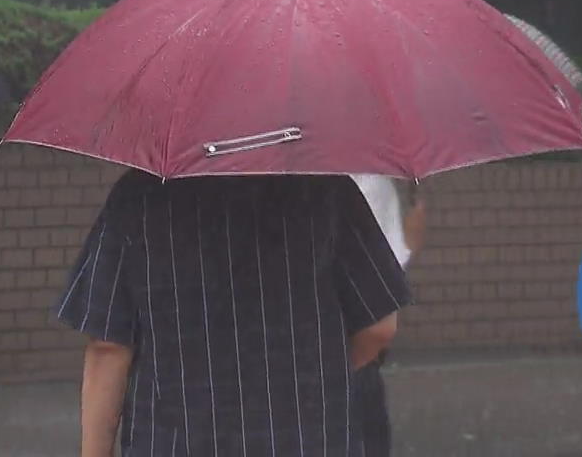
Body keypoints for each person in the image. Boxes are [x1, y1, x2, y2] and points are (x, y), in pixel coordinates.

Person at [58, 169, 412, 457]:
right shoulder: (327, 189)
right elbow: (380, 325)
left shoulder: (136, 198)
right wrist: (314, 377)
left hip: (174, 441)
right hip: (310, 440)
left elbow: (109, 347)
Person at [348, 174, 427, 455]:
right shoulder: (371, 184)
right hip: (358, 345)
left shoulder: (293, 184)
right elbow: (398, 256)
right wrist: (418, 207)